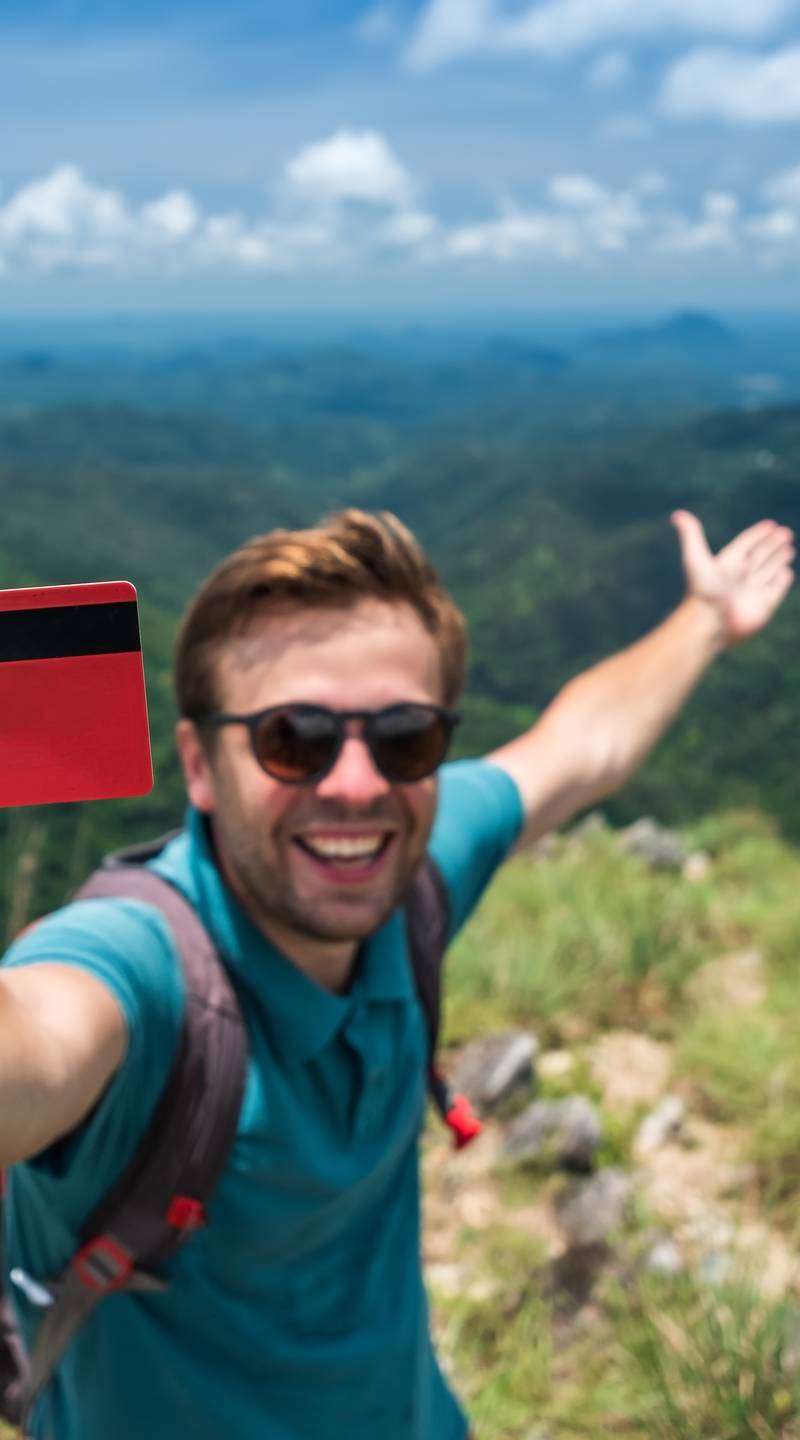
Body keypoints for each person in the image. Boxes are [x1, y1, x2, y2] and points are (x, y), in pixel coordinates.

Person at [0, 506, 794, 1440]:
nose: (357, 784)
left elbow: (583, 748)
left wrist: (705, 617)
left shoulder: (413, 878)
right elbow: (35, 1047)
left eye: (405, 736)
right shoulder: (139, 968)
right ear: (199, 767)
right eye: (293, 738)